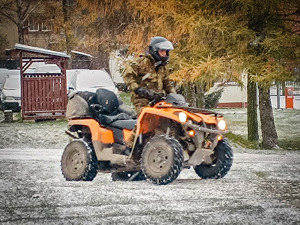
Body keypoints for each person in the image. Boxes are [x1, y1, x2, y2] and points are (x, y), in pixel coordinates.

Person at [123, 36, 176, 149]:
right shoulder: (142, 62)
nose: (165, 54)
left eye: (166, 52)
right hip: (141, 98)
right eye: (162, 51)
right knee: (145, 117)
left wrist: (175, 96)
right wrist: (137, 88)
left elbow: (167, 84)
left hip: (158, 99)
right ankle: (130, 146)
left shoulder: (163, 67)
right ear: (155, 51)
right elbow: (127, 75)